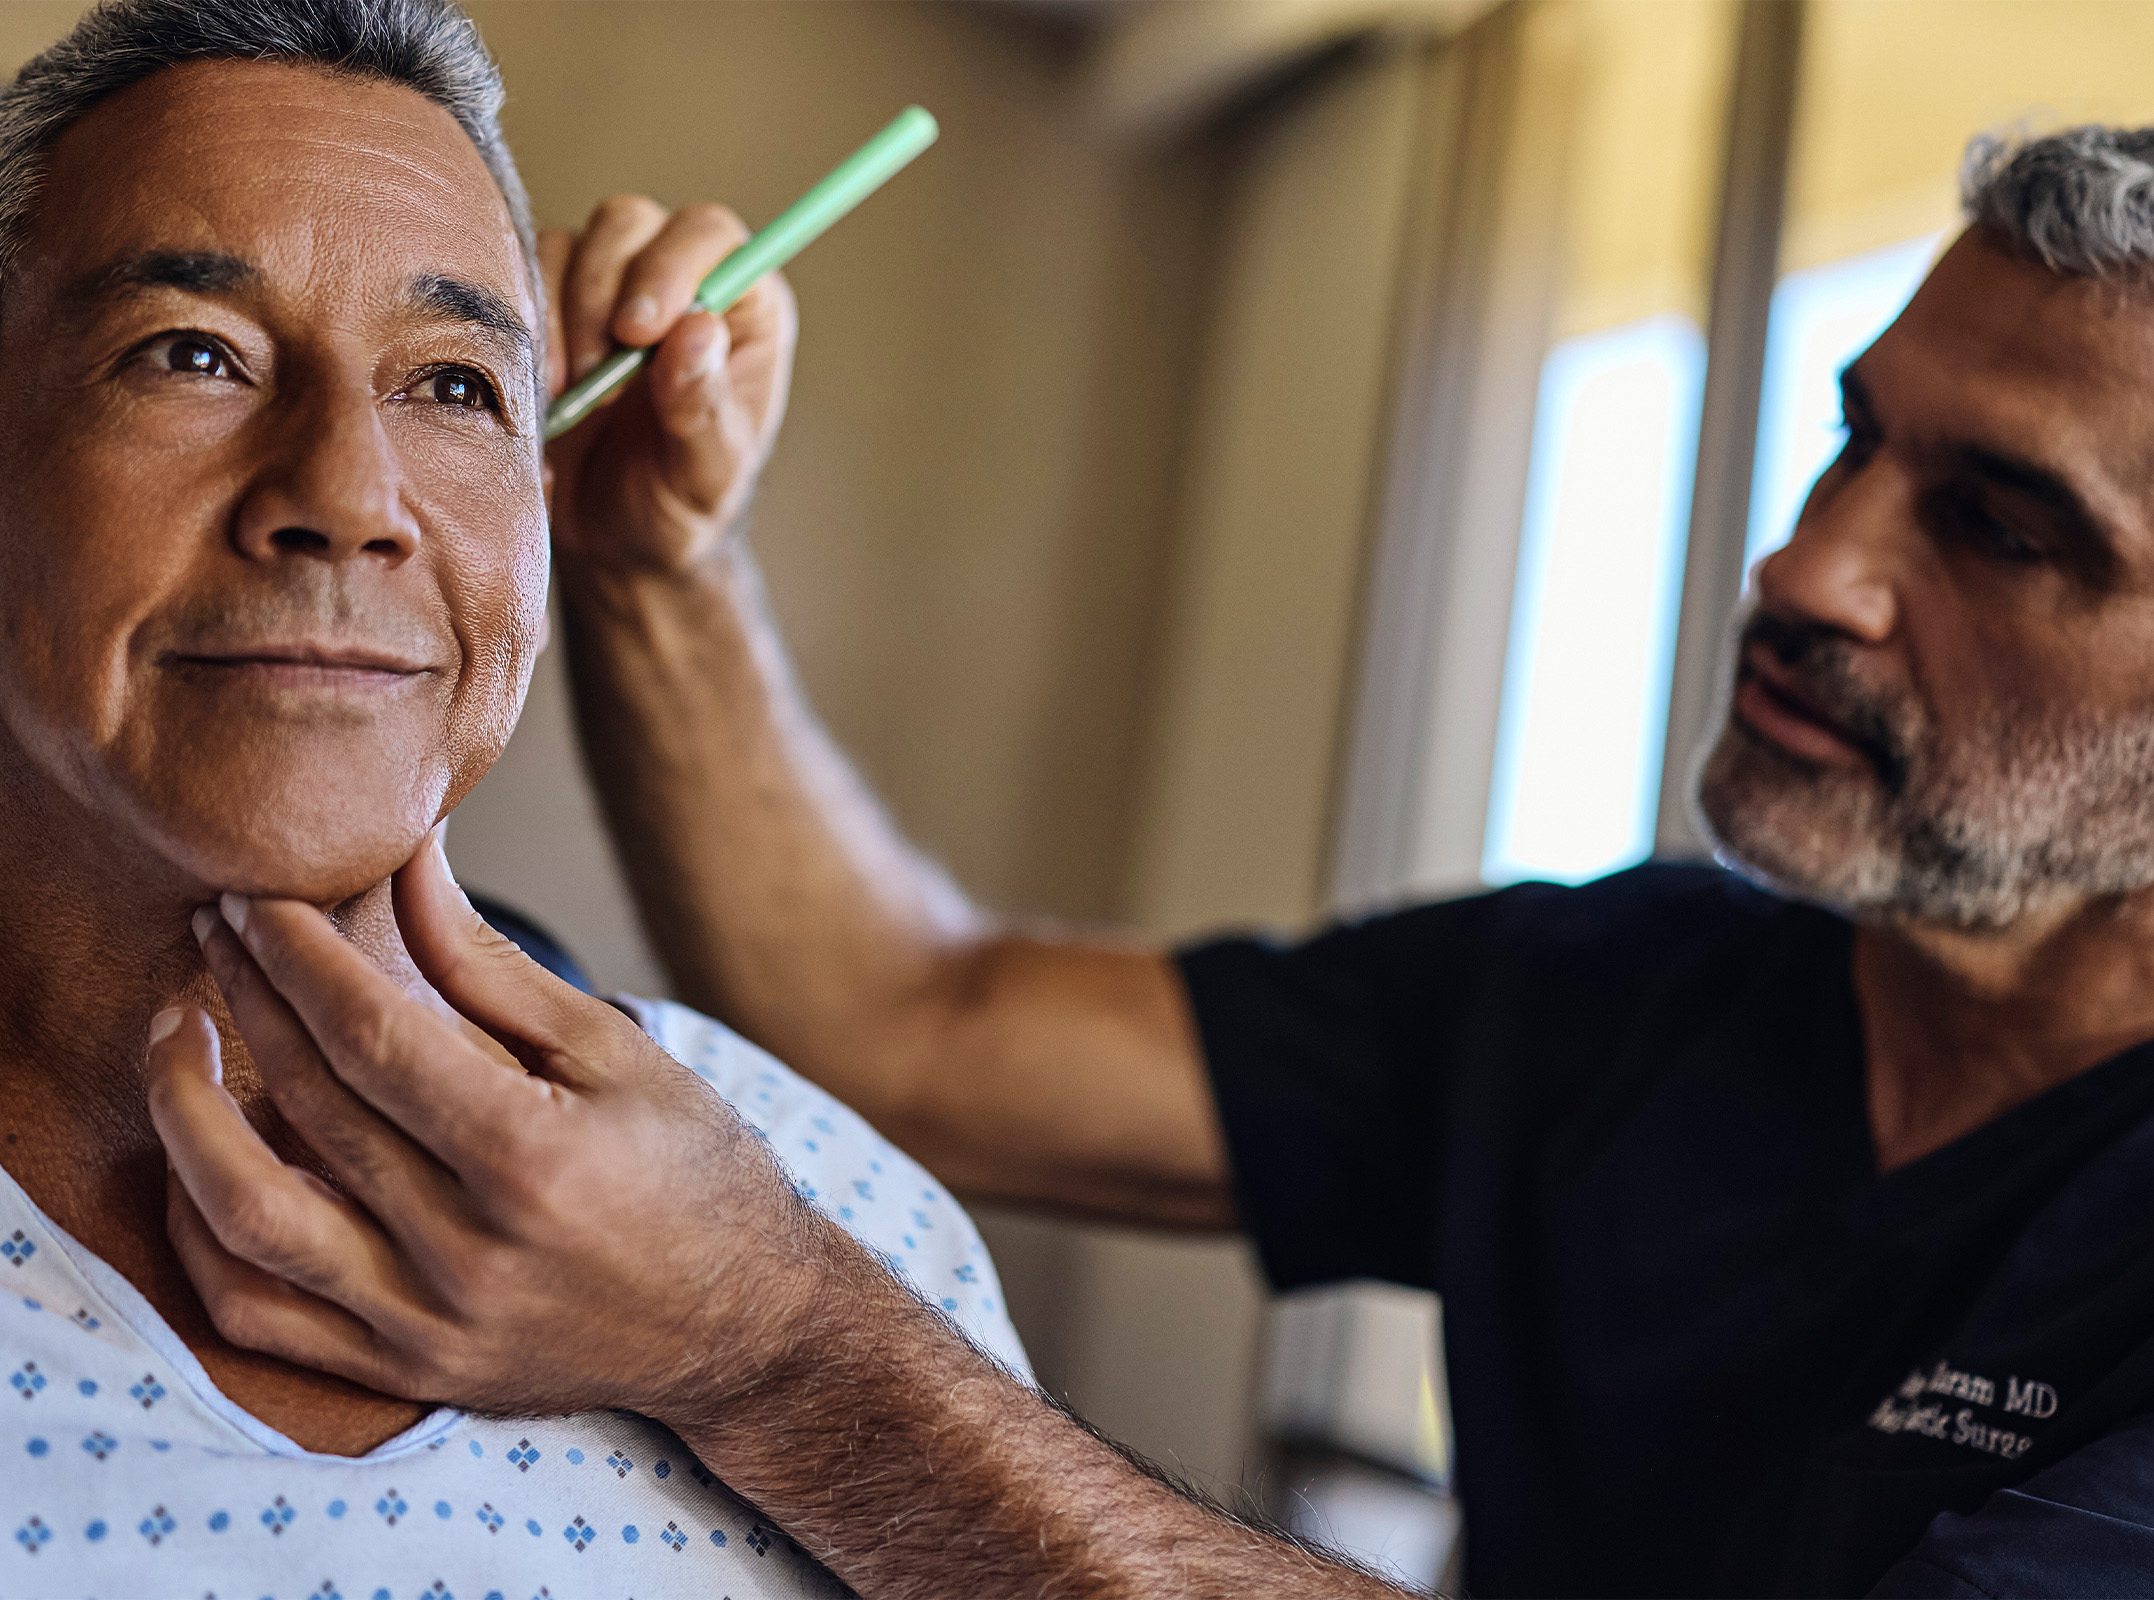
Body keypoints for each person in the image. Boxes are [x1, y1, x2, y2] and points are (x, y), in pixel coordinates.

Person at [111, 0, 2154, 1594]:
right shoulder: (1635, 999)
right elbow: (914, 1025)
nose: (1807, 567)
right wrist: (659, 565)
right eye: (1851, 439)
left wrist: (771, 1344)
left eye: (2000, 528)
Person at [0, 0, 1033, 1593]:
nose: (347, 497)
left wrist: (766, 1346)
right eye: (193, 355)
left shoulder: (834, 1222)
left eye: (455, 388)